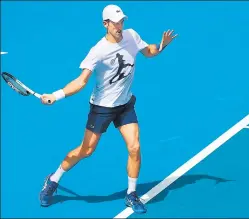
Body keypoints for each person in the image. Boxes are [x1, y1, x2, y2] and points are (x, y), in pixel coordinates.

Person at [39, 4, 178, 214]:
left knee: (134, 147)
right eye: (115, 22)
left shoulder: (131, 36)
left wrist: (161, 45)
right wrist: (56, 95)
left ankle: (131, 194)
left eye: (122, 21)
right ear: (106, 24)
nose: (120, 26)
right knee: (86, 150)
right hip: (101, 108)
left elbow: (148, 51)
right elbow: (81, 81)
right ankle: (53, 178)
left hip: (125, 105)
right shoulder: (98, 51)